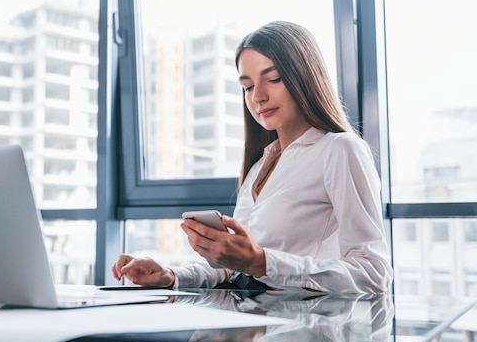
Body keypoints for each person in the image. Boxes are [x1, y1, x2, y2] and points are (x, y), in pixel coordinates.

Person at [112, 21, 393, 294]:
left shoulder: (340, 150)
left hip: (305, 328)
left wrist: (262, 262)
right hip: (252, 321)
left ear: (304, 77)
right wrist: (170, 275)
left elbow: (373, 274)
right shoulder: (261, 165)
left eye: (273, 79)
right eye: (247, 86)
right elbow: (230, 268)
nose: (258, 96)